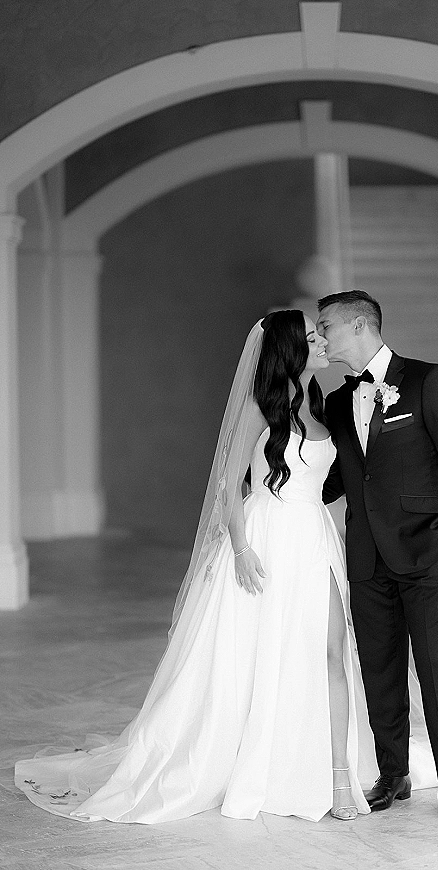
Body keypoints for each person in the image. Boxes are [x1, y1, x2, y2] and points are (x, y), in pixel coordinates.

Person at [15, 310, 379, 823]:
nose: (322, 342)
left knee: (330, 653)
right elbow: (231, 486)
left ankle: (339, 777)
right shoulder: (261, 406)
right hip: (266, 538)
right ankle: (258, 762)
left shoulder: (320, 402)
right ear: (290, 349)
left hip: (314, 538)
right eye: (312, 337)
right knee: (260, 654)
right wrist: (242, 548)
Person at [316, 289, 438, 824]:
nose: (319, 337)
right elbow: (337, 480)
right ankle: (393, 774)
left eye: (326, 327)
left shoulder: (427, 380)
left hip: (426, 551)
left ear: (362, 325)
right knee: (379, 670)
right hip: (366, 557)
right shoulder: (339, 402)